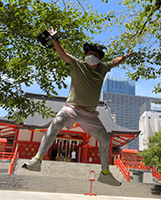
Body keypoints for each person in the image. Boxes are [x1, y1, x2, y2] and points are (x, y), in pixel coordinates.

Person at [22, 28, 133, 186]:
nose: (91, 56)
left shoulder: (103, 68)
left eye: (95, 55)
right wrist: (54, 39)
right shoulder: (77, 64)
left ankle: (105, 173)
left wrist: (126, 57)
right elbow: (64, 54)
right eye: (89, 54)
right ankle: (37, 160)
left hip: (90, 114)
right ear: (85, 55)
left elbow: (115, 61)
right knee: (55, 124)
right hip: (71, 109)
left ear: (99, 58)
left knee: (105, 139)